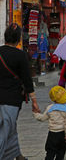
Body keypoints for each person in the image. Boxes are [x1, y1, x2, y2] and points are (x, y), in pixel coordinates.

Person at [0, 23, 39, 160]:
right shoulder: (20, 55)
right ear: (18, 39)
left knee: (9, 127)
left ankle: (16, 154)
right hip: (11, 99)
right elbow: (27, 80)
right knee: (5, 130)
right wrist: (34, 100)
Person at [33, 86, 66, 160]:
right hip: (62, 134)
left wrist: (35, 113)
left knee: (50, 152)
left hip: (52, 134)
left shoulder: (50, 108)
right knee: (61, 153)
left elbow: (42, 118)